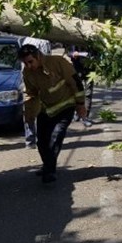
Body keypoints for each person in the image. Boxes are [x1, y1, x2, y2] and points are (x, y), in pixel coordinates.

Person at [18, 44, 87, 184]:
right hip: (46, 110)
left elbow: (76, 82)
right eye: (25, 63)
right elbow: (31, 94)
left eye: (30, 61)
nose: (29, 66)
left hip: (65, 106)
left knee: (56, 137)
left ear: (38, 56)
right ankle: (47, 166)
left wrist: (80, 104)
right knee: (42, 142)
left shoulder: (58, 62)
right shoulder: (27, 73)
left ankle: (50, 171)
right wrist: (29, 114)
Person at [21, 36, 52, 148]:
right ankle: (41, 138)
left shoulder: (25, 40)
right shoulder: (43, 41)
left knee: (29, 109)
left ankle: (30, 140)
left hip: (27, 80)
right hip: (38, 79)